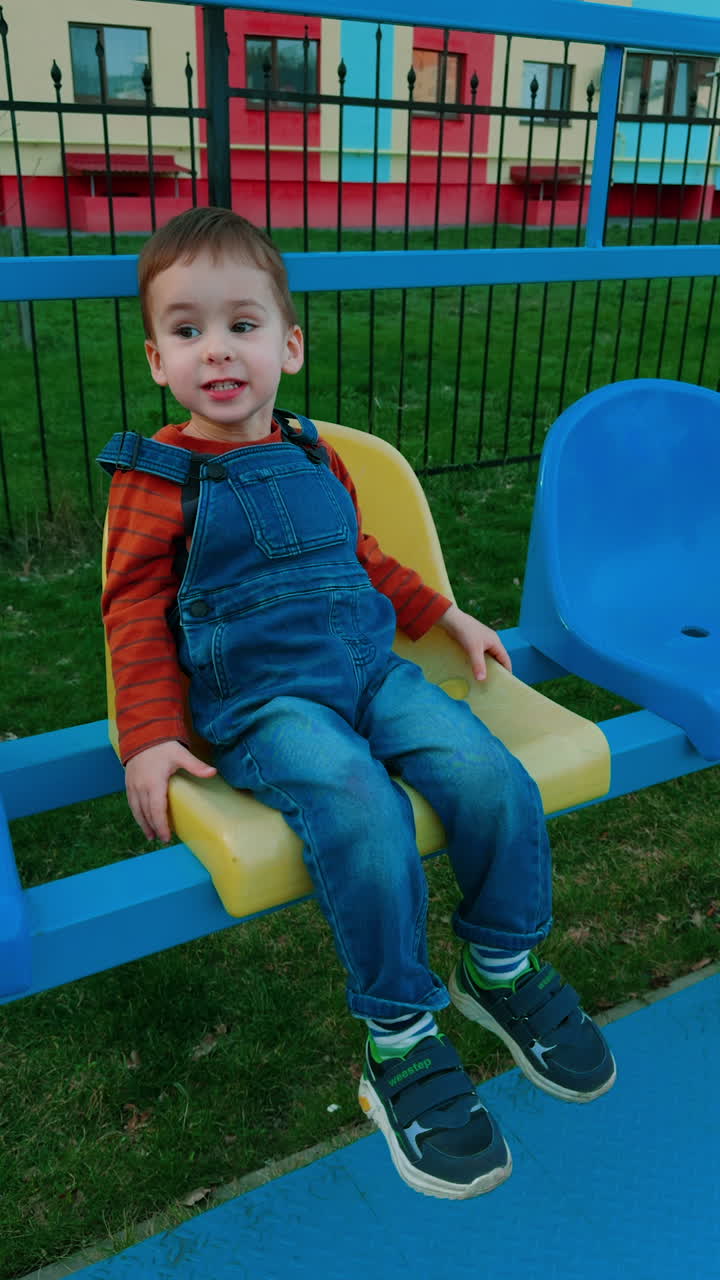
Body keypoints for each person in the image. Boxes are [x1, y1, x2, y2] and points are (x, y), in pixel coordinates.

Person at [98, 206, 615, 1202]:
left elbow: (366, 558)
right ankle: (400, 1039)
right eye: (188, 329)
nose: (218, 351)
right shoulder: (157, 479)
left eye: (242, 324)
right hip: (265, 701)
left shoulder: (312, 451)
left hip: (372, 673)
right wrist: (152, 735)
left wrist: (451, 615)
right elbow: (133, 616)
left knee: (483, 770)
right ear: (158, 357)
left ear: (287, 343)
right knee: (359, 805)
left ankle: (499, 964)